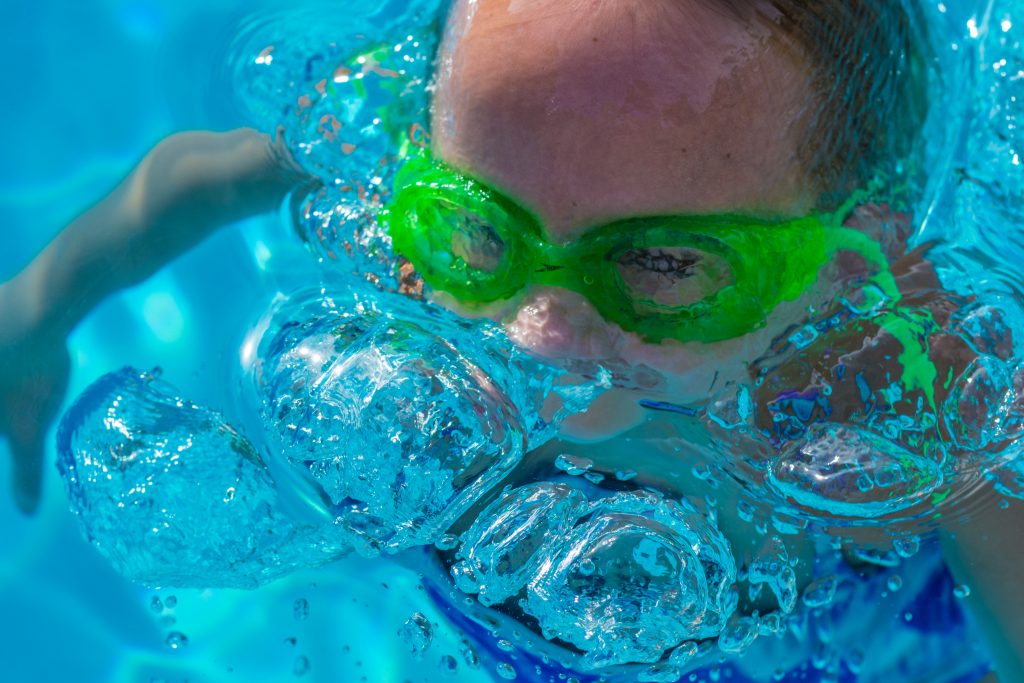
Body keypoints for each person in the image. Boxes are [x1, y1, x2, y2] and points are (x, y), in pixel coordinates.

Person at [0, 0, 1019, 680]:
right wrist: (26, 323)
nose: (539, 332)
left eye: (660, 265)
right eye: (476, 230)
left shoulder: (912, 399)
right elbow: (201, 175)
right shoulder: (414, 177)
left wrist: (966, 477)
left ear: (848, 262)